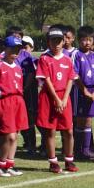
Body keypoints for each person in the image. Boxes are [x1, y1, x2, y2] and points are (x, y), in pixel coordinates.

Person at [36, 28, 78, 173]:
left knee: (69, 131)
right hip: (49, 97)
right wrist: (56, 99)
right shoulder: (44, 58)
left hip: (64, 98)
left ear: (64, 41)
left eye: (59, 40)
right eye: (53, 40)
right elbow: (46, 80)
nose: (57, 43)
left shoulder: (67, 59)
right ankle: (53, 162)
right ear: (48, 42)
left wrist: (64, 99)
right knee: (51, 131)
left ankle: (69, 160)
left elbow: (71, 79)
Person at [0, 36, 28, 177]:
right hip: (4, 102)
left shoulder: (17, 67)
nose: (15, 52)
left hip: (17, 101)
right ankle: (1, 165)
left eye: (18, 49)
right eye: (12, 48)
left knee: (15, 135)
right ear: (5, 48)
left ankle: (10, 164)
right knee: (7, 136)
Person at [72, 26, 94, 162]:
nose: (87, 43)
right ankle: (79, 151)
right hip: (80, 91)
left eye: (90, 40)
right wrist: (84, 90)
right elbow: (75, 74)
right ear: (79, 41)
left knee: (88, 120)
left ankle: (86, 149)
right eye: (84, 40)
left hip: (93, 92)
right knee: (80, 120)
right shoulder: (76, 55)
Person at [20, 35, 39, 154]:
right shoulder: (17, 57)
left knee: (31, 117)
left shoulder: (33, 60)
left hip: (30, 92)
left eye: (26, 46)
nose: (23, 49)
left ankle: (32, 144)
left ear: (32, 48)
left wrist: (25, 88)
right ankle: (27, 141)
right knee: (21, 118)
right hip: (19, 92)